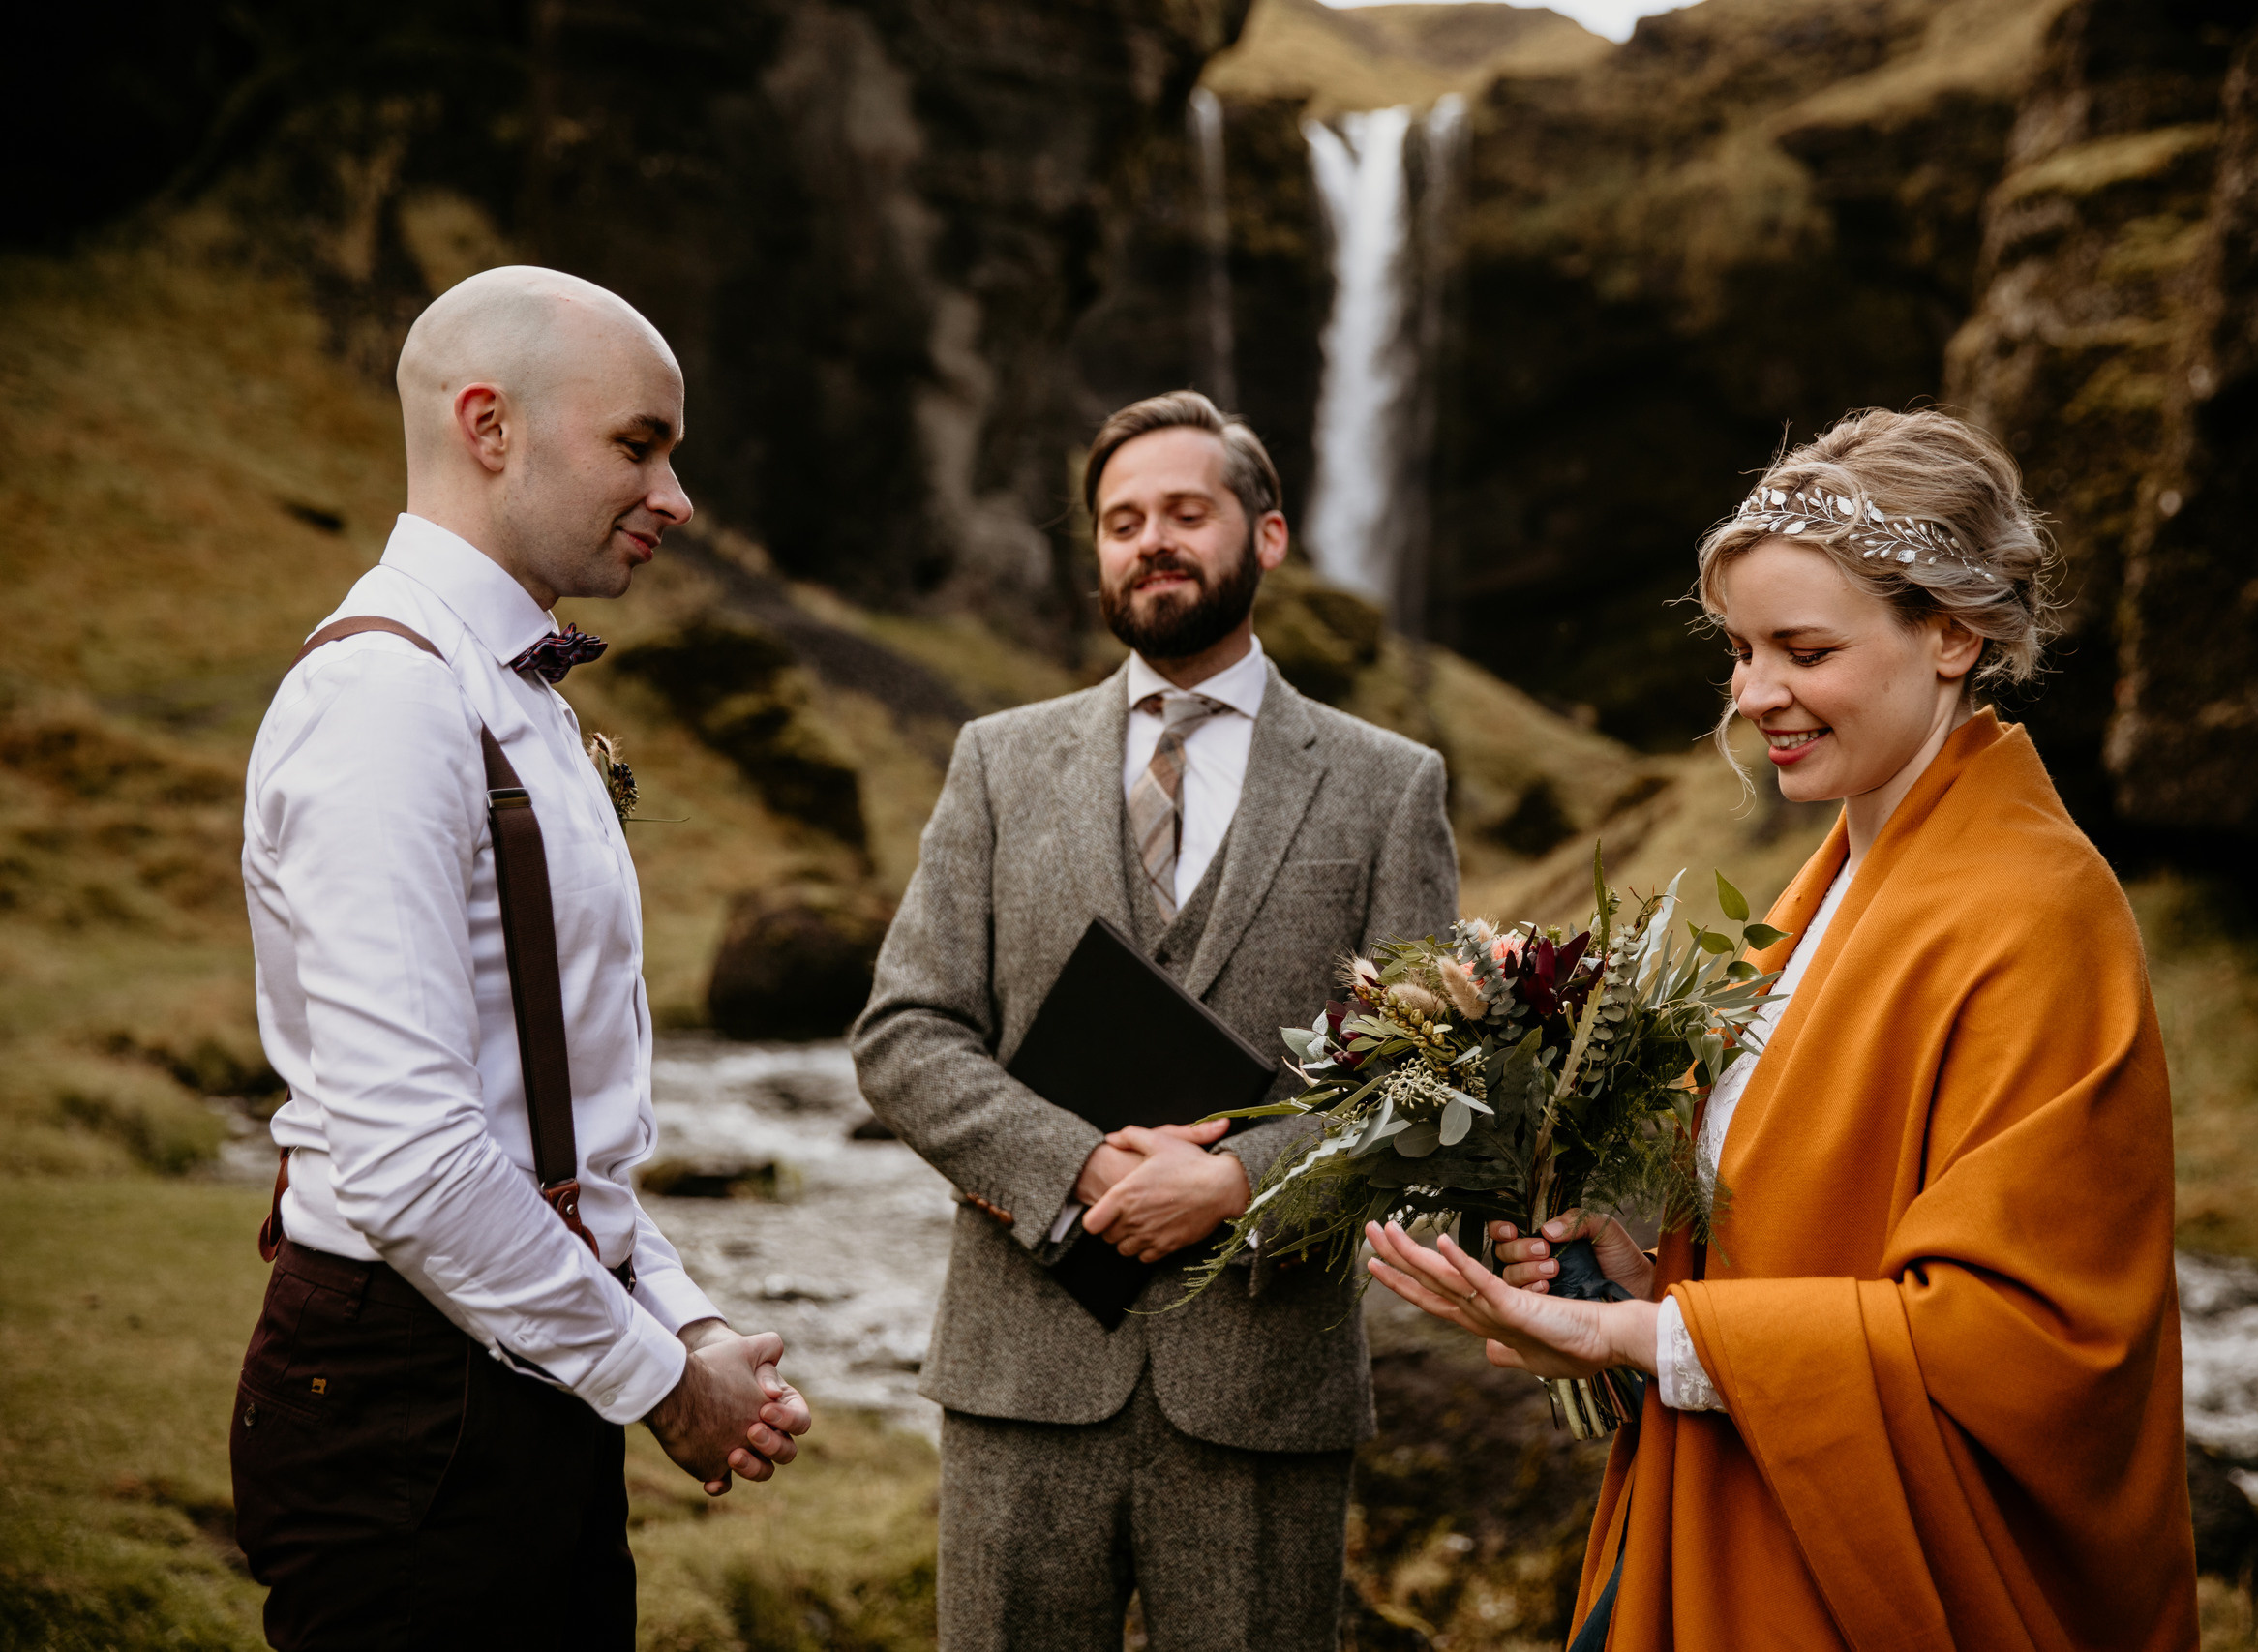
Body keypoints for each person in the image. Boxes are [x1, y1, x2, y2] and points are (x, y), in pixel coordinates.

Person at [1366, 407, 2199, 1650]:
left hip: (1853, 1575)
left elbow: (2020, 1346)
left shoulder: (2036, 916)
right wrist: (1644, 1279)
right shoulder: (1836, 882)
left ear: (1952, 636)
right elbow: (1820, 1244)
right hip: (1739, 1508)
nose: (1756, 694)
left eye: (1801, 648)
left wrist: (1628, 1333)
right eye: (1741, 651)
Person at [230, 265, 812, 1650]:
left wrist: (686, 1314)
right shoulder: (386, 698)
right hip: (408, 1399)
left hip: (510, 1359)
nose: (677, 498)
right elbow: (416, 1153)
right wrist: (663, 1381)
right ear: (489, 427)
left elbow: (547, 1125)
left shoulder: (515, 693)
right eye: (640, 444)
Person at [853, 390, 1460, 1651]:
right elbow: (905, 1029)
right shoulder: (996, 763)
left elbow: (1427, 1084)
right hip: (1023, 1373)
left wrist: (1237, 1179)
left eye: (1185, 511)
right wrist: (1068, 1163)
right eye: (1122, 521)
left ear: (1269, 534)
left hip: (1265, 1388)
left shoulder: (1387, 786)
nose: (1151, 541)